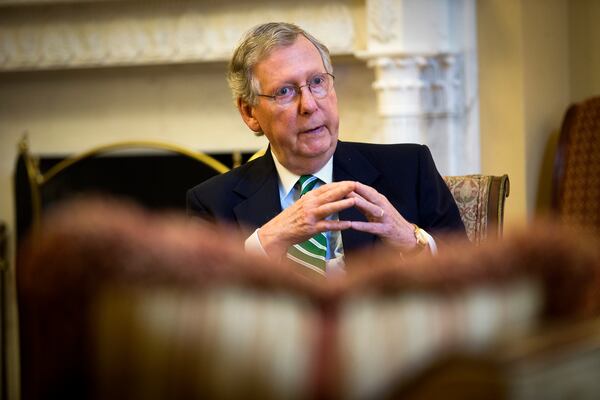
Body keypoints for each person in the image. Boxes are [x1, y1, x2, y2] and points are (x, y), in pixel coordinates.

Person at [187, 22, 466, 275]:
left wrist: (410, 239)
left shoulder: (409, 168)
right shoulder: (212, 202)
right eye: (284, 91)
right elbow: (198, 308)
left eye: (317, 82)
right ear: (249, 112)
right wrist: (265, 243)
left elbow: (467, 277)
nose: (308, 105)